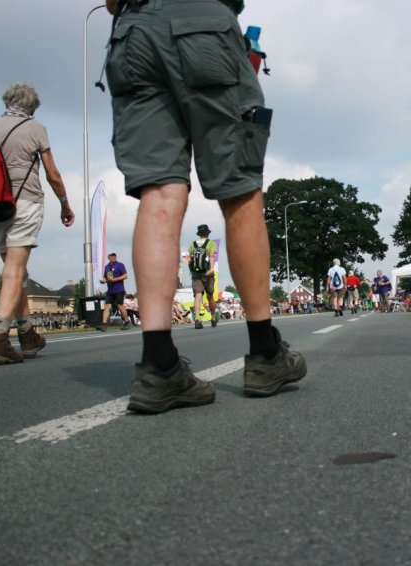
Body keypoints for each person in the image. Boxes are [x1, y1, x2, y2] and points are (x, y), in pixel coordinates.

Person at [104, 0, 306, 412]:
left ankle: (159, 366)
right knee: (240, 190)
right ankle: (265, 354)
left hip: (134, 31)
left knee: (158, 193)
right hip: (203, 24)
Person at [0, 84, 75, 364]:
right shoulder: (36, 128)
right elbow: (52, 173)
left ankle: (27, 334)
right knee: (15, 269)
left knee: (13, 269)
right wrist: (65, 204)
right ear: (32, 106)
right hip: (24, 201)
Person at [187, 224, 218, 329]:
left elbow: (189, 260)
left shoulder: (192, 245)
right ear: (208, 233)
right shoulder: (211, 243)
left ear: (199, 234)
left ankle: (197, 319)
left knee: (198, 296)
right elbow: (212, 256)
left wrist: (191, 271)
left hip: (196, 275)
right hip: (207, 274)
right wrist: (212, 269)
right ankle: (213, 317)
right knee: (210, 296)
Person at [98, 252, 131, 330]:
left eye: (114, 256)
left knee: (120, 305)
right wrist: (104, 281)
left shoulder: (120, 265)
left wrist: (115, 279)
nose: (113, 257)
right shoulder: (107, 267)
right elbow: (107, 278)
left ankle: (127, 322)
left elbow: (125, 276)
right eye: (111, 256)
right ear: (108, 257)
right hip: (110, 290)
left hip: (119, 289)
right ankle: (104, 324)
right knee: (107, 306)